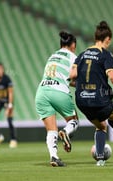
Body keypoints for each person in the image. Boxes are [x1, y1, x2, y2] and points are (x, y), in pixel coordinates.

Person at [69, 21, 113, 166]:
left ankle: (100, 159)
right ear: (108, 39)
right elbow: (112, 77)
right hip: (98, 100)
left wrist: (83, 86)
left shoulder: (81, 55)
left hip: (81, 101)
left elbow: (72, 77)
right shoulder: (106, 55)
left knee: (101, 126)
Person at [35, 31, 79, 167]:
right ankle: (65, 132)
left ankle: (54, 157)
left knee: (51, 130)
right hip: (58, 91)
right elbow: (74, 77)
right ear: (73, 45)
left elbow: (62, 77)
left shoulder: (52, 56)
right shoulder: (73, 57)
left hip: (42, 92)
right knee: (74, 121)